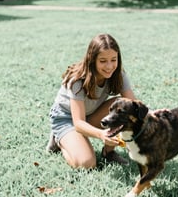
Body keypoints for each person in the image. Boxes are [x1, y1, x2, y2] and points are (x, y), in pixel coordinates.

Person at [47, 33, 136, 169]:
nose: (109, 66)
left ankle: (108, 153)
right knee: (87, 164)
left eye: (113, 59)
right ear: (92, 60)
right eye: (103, 61)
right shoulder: (77, 80)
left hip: (90, 114)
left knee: (124, 106)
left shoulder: (118, 74)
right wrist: (101, 134)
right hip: (67, 119)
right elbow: (78, 122)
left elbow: (133, 105)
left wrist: (157, 118)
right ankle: (59, 141)